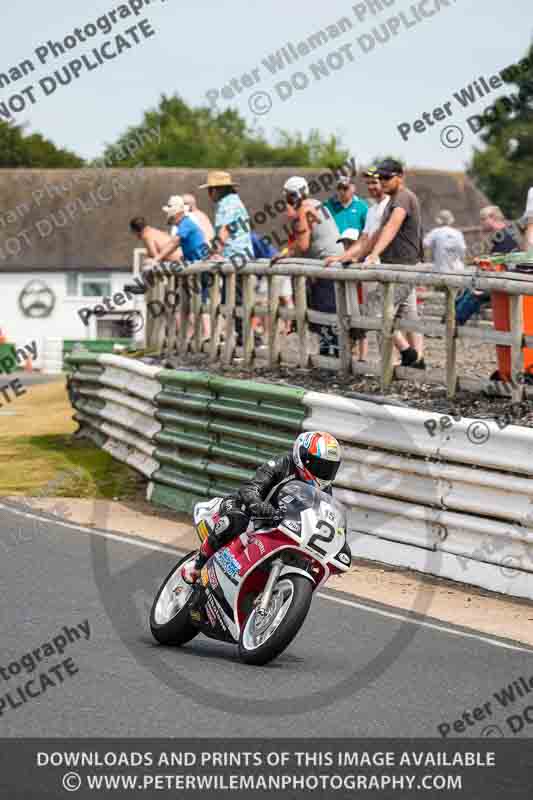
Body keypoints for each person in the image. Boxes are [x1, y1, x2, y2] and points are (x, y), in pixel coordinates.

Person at [181, 431, 342, 583]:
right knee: (234, 521)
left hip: (279, 526)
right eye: (320, 466)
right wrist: (260, 506)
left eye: (329, 468)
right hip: (247, 509)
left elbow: (323, 520)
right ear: (303, 458)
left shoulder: (324, 490)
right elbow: (251, 488)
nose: (324, 473)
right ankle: (198, 563)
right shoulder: (283, 464)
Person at [272, 176, 344, 357]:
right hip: (334, 261)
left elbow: (302, 244)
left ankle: (332, 354)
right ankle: (329, 351)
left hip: (327, 264)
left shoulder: (303, 210)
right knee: (326, 310)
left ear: (290, 196)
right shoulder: (316, 204)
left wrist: (285, 253)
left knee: (325, 309)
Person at [364, 159, 425, 369]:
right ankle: (417, 360)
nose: (382, 181)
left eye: (386, 177)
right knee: (408, 314)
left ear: (400, 176)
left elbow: (392, 227)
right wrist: (352, 256)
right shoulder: (391, 201)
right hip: (398, 266)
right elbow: (378, 233)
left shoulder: (403, 198)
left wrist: (373, 255)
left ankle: (407, 352)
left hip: (403, 267)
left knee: (376, 310)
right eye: (380, 177)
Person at [199, 171, 254, 347]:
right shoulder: (232, 201)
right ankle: (242, 339)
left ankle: (247, 340)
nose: (209, 195)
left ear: (216, 190)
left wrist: (214, 252)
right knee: (232, 300)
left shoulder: (227, 204)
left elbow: (224, 231)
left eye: (210, 190)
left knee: (234, 301)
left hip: (235, 257)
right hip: (238, 256)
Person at [151, 195, 210, 341]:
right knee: (190, 299)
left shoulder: (186, 224)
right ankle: (194, 332)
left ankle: (206, 333)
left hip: (201, 267)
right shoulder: (185, 224)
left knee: (200, 300)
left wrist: (157, 259)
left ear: (176, 213)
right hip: (195, 266)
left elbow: (174, 243)